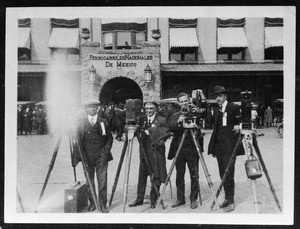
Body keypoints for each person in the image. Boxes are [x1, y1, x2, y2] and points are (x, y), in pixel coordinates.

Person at [208, 86, 244, 212]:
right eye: (216, 96)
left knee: (229, 173)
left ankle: (231, 201)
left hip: (230, 147)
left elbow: (242, 120)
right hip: (219, 147)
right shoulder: (217, 110)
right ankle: (227, 199)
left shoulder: (233, 107)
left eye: (220, 96)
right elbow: (214, 127)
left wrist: (238, 126)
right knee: (222, 173)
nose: (218, 98)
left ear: (225, 96)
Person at [167, 92, 206, 209]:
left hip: (193, 146)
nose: (184, 103)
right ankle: (180, 199)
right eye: (182, 101)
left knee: (194, 174)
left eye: (186, 100)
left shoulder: (196, 112)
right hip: (179, 147)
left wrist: (199, 111)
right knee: (179, 174)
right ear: (178, 103)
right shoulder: (176, 114)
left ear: (189, 100)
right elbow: (171, 127)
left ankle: (193, 198)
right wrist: (179, 121)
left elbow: (207, 117)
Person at [128, 101, 169, 209]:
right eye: (147, 109)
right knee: (142, 176)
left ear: (155, 109)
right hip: (144, 152)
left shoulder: (161, 120)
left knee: (156, 176)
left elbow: (164, 135)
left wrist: (149, 131)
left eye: (151, 108)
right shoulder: (141, 119)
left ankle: (153, 199)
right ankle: (139, 198)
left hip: (156, 153)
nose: (149, 111)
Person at [75, 99, 113, 213]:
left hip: (101, 154)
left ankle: (103, 204)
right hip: (87, 155)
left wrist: (106, 151)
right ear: (86, 109)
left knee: (102, 180)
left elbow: (109, 138)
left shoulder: (103, 122)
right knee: (89, 180)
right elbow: (78, 140)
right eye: (90, 107)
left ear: (97, 109)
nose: (92, 109)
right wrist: (81, 155)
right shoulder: (81, 123)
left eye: (94, 107)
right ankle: (92, 203)